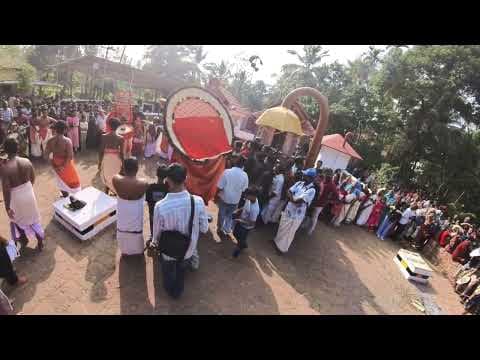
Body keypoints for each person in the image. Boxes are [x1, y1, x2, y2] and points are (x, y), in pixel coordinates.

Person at [152, 163, 209, 299]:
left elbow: (156, 236)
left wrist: (154, 242)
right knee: (181, 272)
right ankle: (177, 292)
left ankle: (170, 289)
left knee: (168, 273)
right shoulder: (198, 202)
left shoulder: (160, 206)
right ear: (186, 179)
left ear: (168, 182)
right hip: (188, 250)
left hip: (168, 253)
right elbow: (205, 229)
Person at [1, 138, 44, 251]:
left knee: (17, 220)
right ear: (18, 148)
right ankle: (40, 242)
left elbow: (6, 190)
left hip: (15, 197)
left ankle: (24, 239)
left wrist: (7, 207)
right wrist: (26, 189)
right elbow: (33, 178)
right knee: (34, 219)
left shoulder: (5, 168)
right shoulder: (26, 161)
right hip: (28, 191)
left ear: (5, 150)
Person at [273, 168, 316, 254]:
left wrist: (292, 198)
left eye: (306, 176)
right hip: (288, 210)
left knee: (289, 232)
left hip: (296, 216)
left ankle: (282, 249)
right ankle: (276, 242)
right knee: (282, 227)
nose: (303, 176)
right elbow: (288, 191)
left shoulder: (312, 190)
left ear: (311, 178)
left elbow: (300, 201)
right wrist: (293, 199)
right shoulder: (299, 183)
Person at [112, 158, 149, 256]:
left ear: (123, 168)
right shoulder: (143, 183)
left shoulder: (116, 180)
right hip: (136, 227)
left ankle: (125, 252)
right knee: (137, 247)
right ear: (137, 168)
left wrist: (122, 169)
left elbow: (118, 175)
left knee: (124, 246)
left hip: (122, 225)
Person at [45, 120, 81, 198]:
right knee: (73, 181)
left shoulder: (50, 141)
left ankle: (65, 196)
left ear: (55, 129)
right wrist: (62, 167)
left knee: (60, 181)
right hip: (66, 165)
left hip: (56, 162)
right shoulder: (67, 141)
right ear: (64, 130)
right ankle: (74, 199)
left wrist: (54, 166)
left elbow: (45, 156)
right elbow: (70, 156)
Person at [216, 155, 249, 237]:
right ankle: (227, 229)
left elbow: (220, 186)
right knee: (230, 215)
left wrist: (216, 195)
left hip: (224, 198)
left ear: (235, 162)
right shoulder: (245, 175)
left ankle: (220, 229)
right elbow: (244, 189)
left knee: (221, 214)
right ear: (243, 165)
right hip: (235, 200)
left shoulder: (227, 172)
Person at [305, 168, 337, 235]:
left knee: (314, 216)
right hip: (314, 201)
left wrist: (328, 200)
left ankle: (311, 230)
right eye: (325, 173)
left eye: (327, 174)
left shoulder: (332, 185)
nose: (325, 175)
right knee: (309, 214)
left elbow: (335, 195)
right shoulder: (322, 180)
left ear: (330, 175)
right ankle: (305, 225)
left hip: (320, 204)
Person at [232, 187, 260, 258]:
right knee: (235, 233)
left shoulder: (255, 209)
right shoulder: (250, 199)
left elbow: (252, 223)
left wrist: (240, 220)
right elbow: (245, 206)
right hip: (241, 222)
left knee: (241, 239)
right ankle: (243, 244)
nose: (245, 196)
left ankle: (237, 252)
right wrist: (238, 210)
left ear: (253, 196)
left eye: (247, 195)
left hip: (245, 227)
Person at [99, 118, 124, 195]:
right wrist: (123, 164)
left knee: (106, 176)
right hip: (116, 160)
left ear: (109, 126)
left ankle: (106, 193)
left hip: (106, 159)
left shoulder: (104, 136)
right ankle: (116, 193)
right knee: (115, 176)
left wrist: (100, 162)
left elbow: (101, 151)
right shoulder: (121, 138)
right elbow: (122, 153)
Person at [146, 164, 169, 240]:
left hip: (153, 213)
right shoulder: (168, 189)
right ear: (166, 176)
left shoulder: (150, 187)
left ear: (156, 174)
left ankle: (153, 236)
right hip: (164, 214)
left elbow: (148, 201)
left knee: (153, 226)